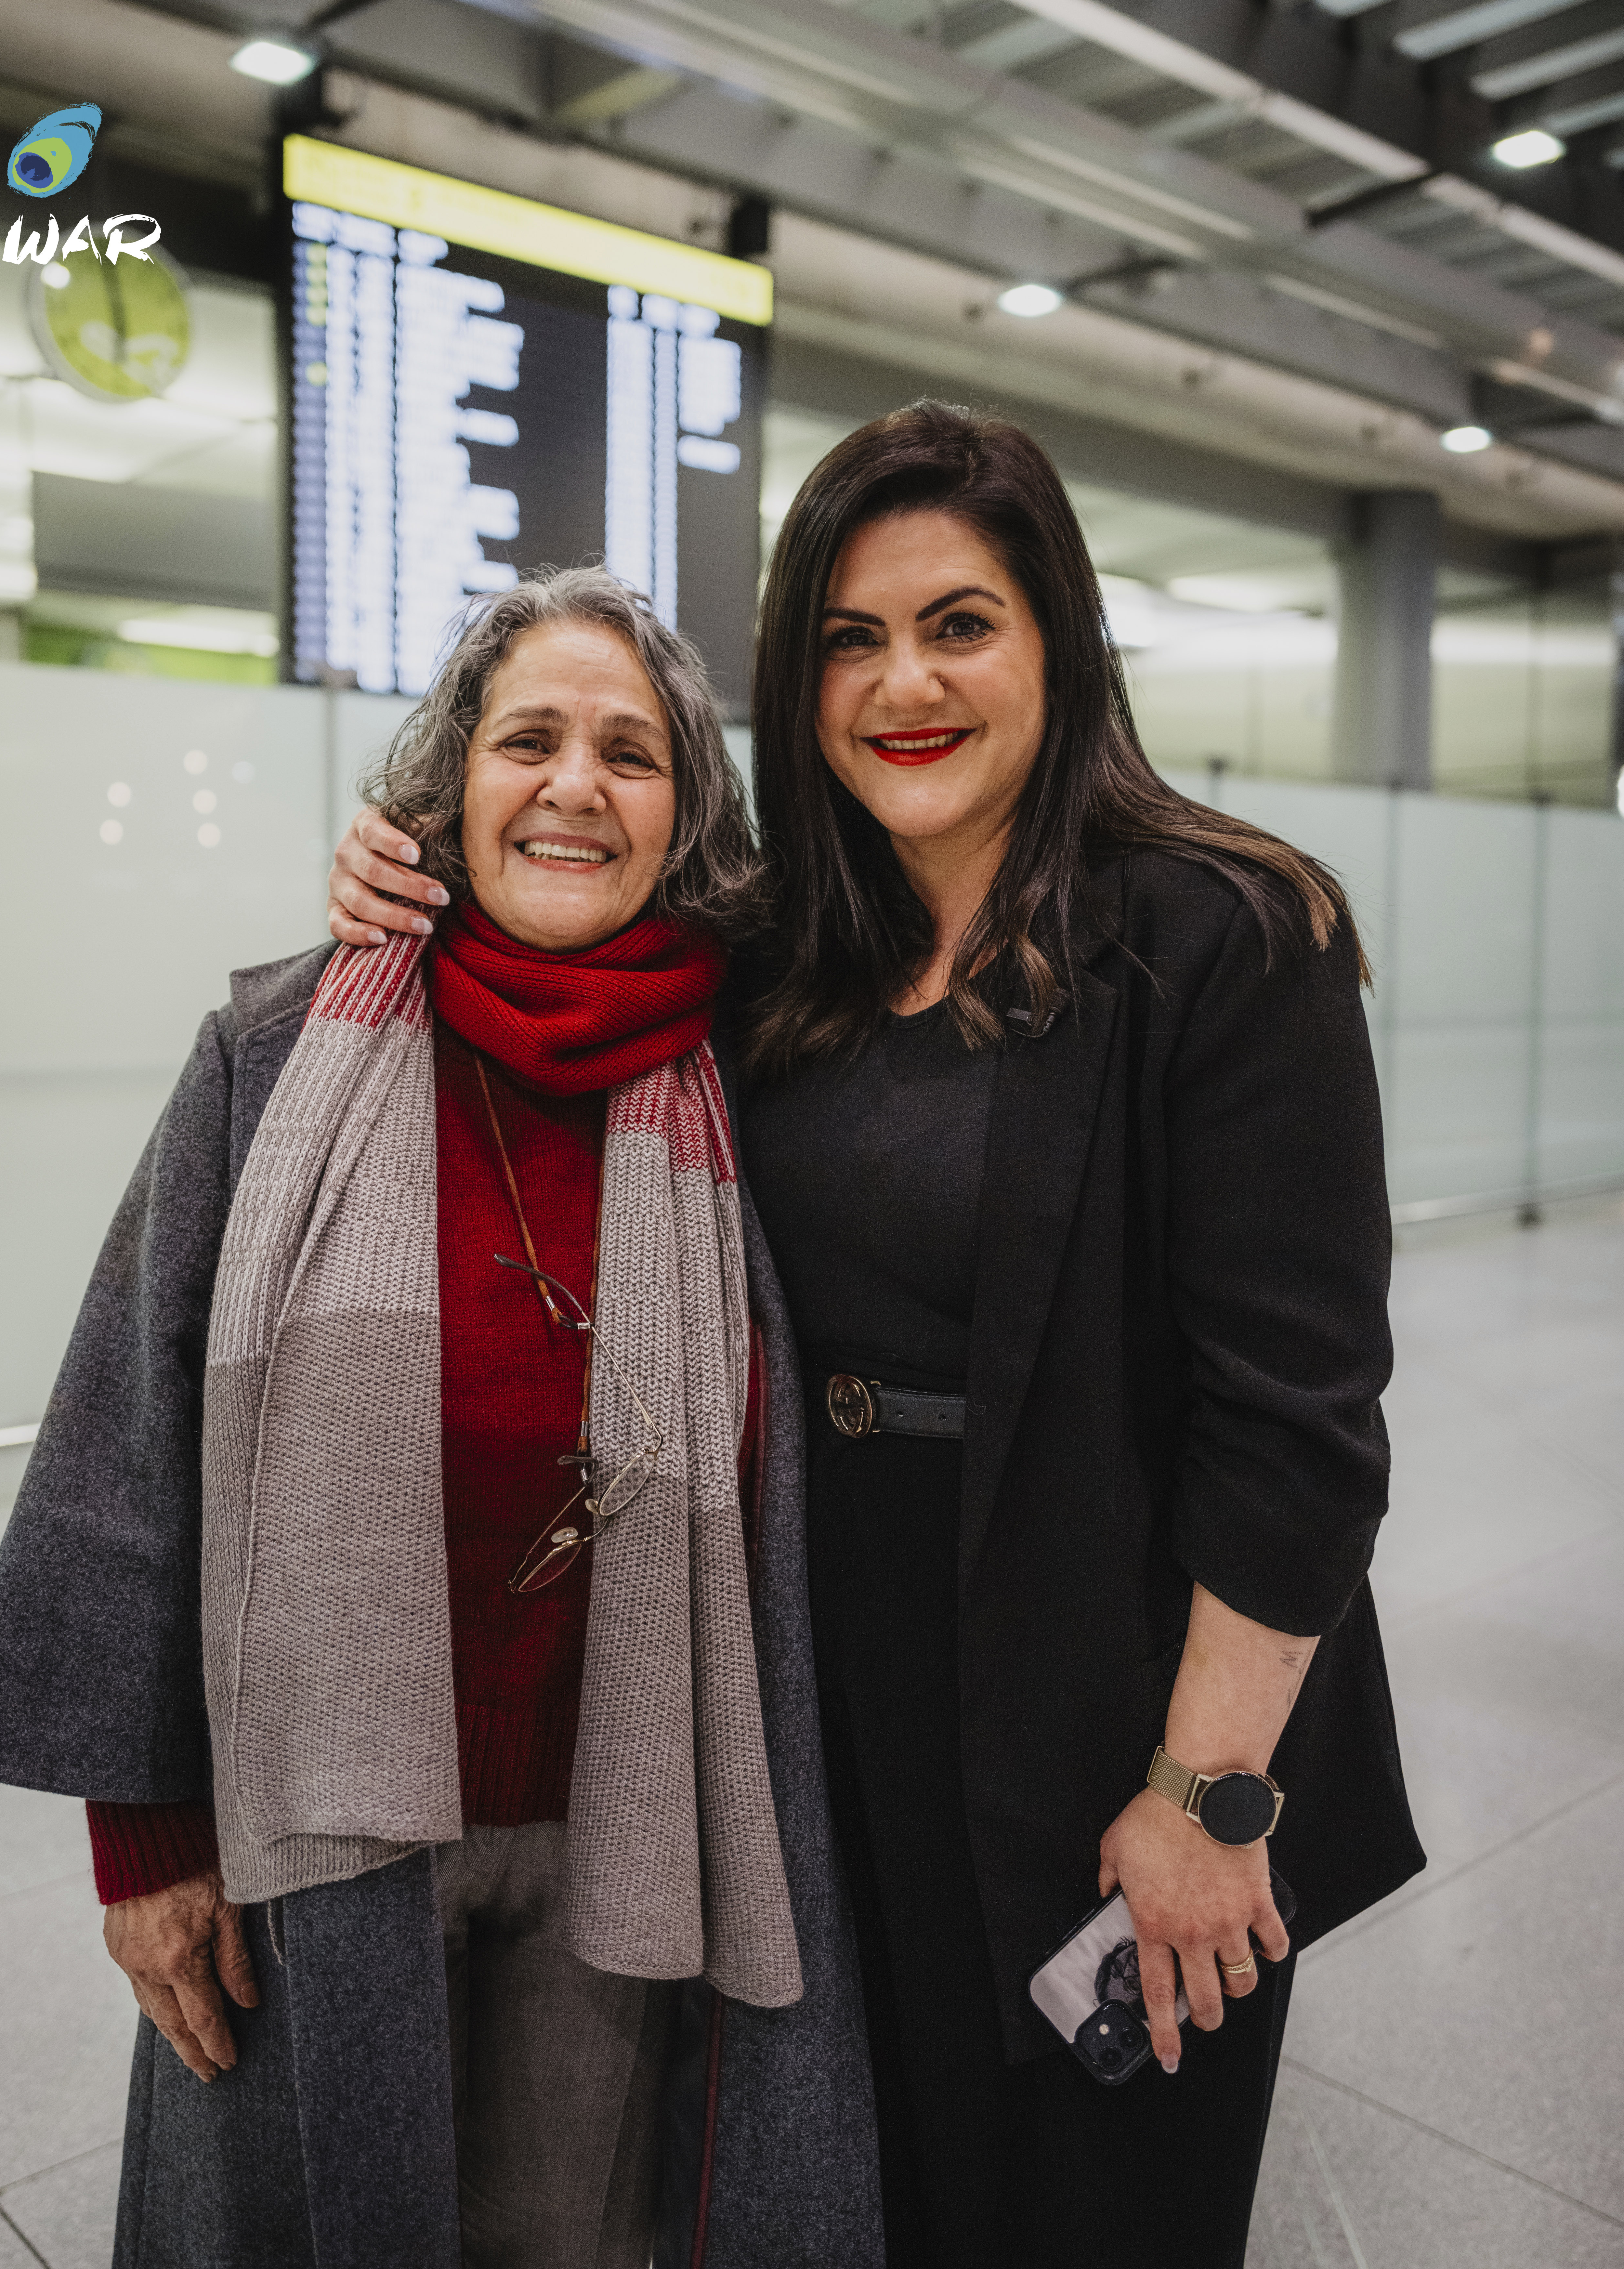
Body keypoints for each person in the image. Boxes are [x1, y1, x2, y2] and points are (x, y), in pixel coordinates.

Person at [325, 403, 1426, 2266]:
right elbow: (560, 923)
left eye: (959, 624)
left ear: (1060, 642)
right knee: (878, 2195)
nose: (904, 683)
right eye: (852, 639)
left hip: (1124, 1692)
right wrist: (398, 871)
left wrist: (1206, 1794)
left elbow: (1301, 1424)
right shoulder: (778, 954)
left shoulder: (1227, 935)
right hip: (842, 1692)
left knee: (1098, 2208)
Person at [0, 570, 884, 2269]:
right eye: (530, 740)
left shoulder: (752, 1077)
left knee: (567, 2240)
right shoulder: (278, 1052)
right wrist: (145, 1842)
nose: (577, 785)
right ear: (451, 786)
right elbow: (129, 1445)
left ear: (687, 816)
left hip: (624, 1826)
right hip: (318, 1829)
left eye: (631, 753)